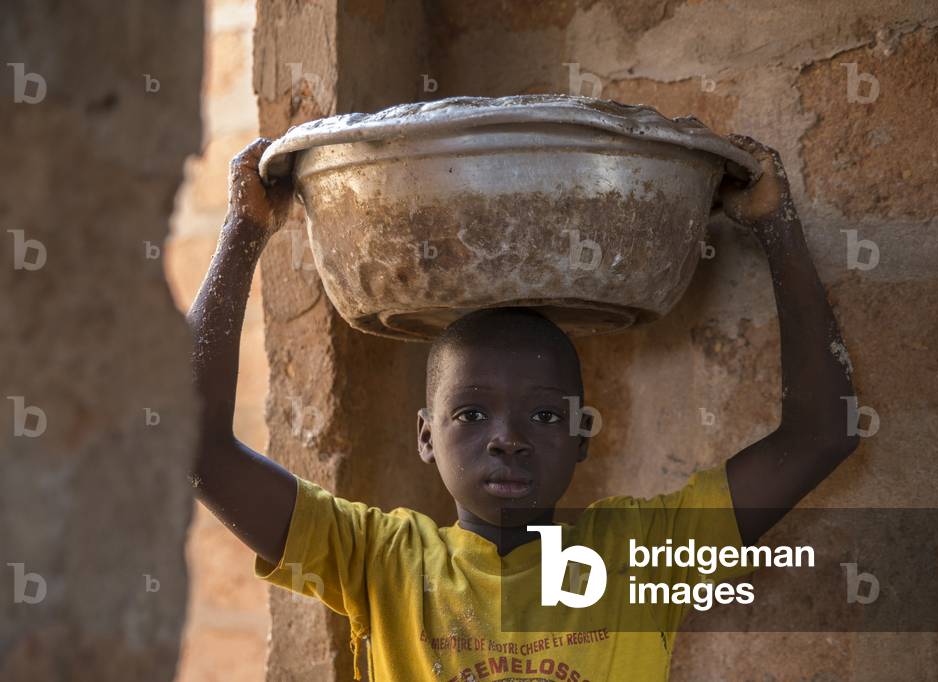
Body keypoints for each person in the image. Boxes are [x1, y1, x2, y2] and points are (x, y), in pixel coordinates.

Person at [187, 135, 860, 681]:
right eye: (470, 415)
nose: (506, 438)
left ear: (581, 437)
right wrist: (244, 233)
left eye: (542, 417)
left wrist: (777, 223)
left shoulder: (641, 557)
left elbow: (821, 436)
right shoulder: (377, 562)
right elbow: (197, 447)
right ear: (425, 436)